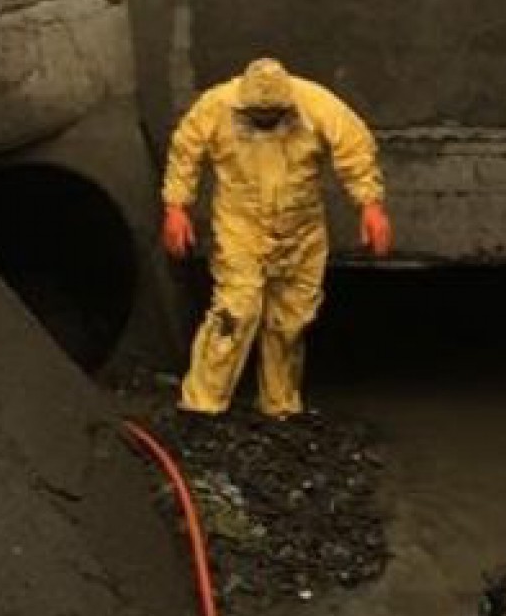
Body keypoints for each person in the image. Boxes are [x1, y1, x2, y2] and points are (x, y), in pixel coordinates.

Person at [160, 58, 393, 419]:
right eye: (258, 118)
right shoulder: (215, 106)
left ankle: (280, 404)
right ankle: (201, 404)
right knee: (237, 308)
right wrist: (176, 207)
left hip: (301, 229)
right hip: (241, 224)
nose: (266, 124)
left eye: (273, 118)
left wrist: (370, 206)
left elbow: (355, 149)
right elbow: (186, 153)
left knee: (291, 316)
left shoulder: (318, 106)